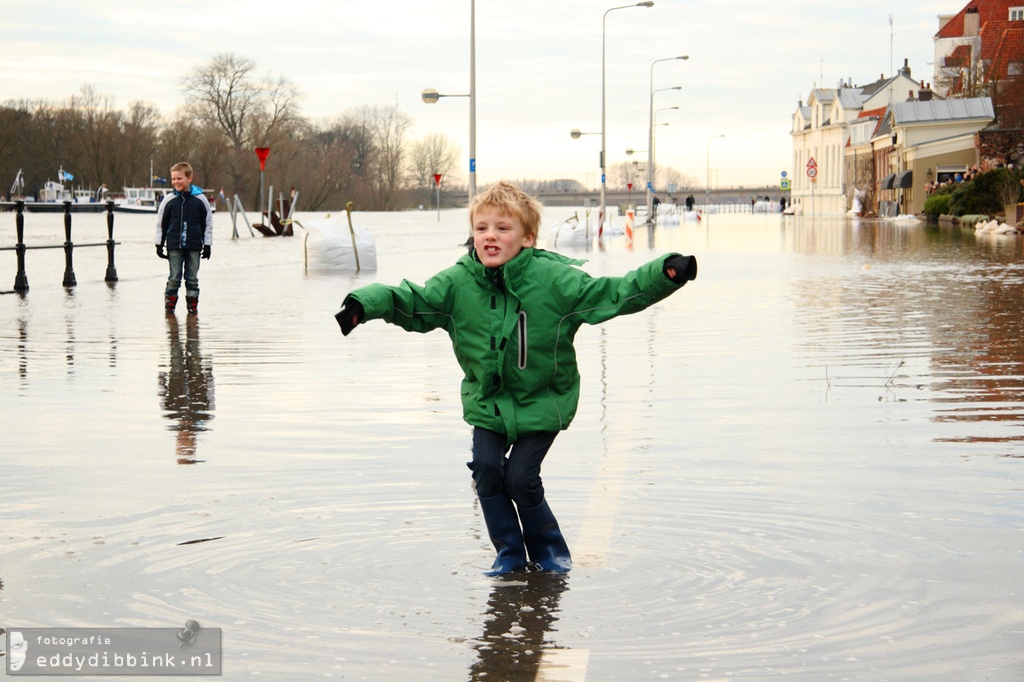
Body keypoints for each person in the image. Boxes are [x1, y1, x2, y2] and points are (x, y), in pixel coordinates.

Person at [334, 181, 697, 576]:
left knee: (522, 478)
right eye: (482, 228)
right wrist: (363, 305)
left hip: (543, 401)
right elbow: (412, 301)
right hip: (488, 403)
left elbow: (614, 293)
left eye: (502, 228)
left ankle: (549, 552)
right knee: (487, 471)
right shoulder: (458, 283)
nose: (490, 236)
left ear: (526, 237)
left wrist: (666, 273)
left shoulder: (554, 281)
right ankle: (508, 552)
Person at [155, 162, 213, 315]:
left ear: (189, 178)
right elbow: (161, 223)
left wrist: (207, 244)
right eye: (173, 179)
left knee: (192, 278)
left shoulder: (200, 199)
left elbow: (208, 223)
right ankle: (170, 308)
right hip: (174, 245)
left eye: (179, 178)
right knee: (174, 278)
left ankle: (192, 309)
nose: (175, 182)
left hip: (194, 245)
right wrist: (159, 244)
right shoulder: (168, 200)